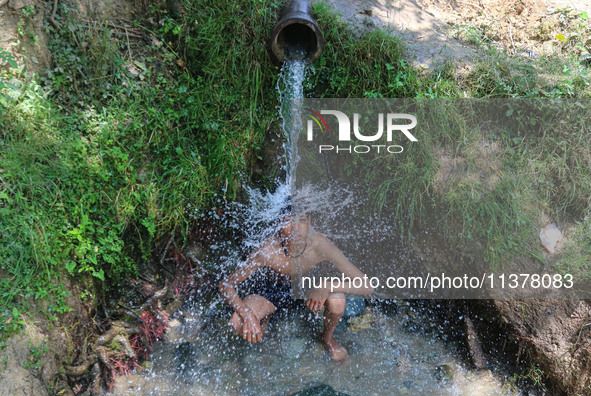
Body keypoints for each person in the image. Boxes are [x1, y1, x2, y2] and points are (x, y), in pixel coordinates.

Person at [219, 209, 374, 362]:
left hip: (307, 289)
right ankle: (266, 315)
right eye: (288, 221)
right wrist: (247, 315)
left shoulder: (320, 245)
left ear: (309, 222)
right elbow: (226, 285)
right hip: (270, 292)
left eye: (301, 220)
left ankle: (327, 338)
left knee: (337, 300)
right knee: (236, 323)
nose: (296, 228)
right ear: (278, 223)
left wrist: (327, 286)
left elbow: (367, 285)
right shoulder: (266, 251)